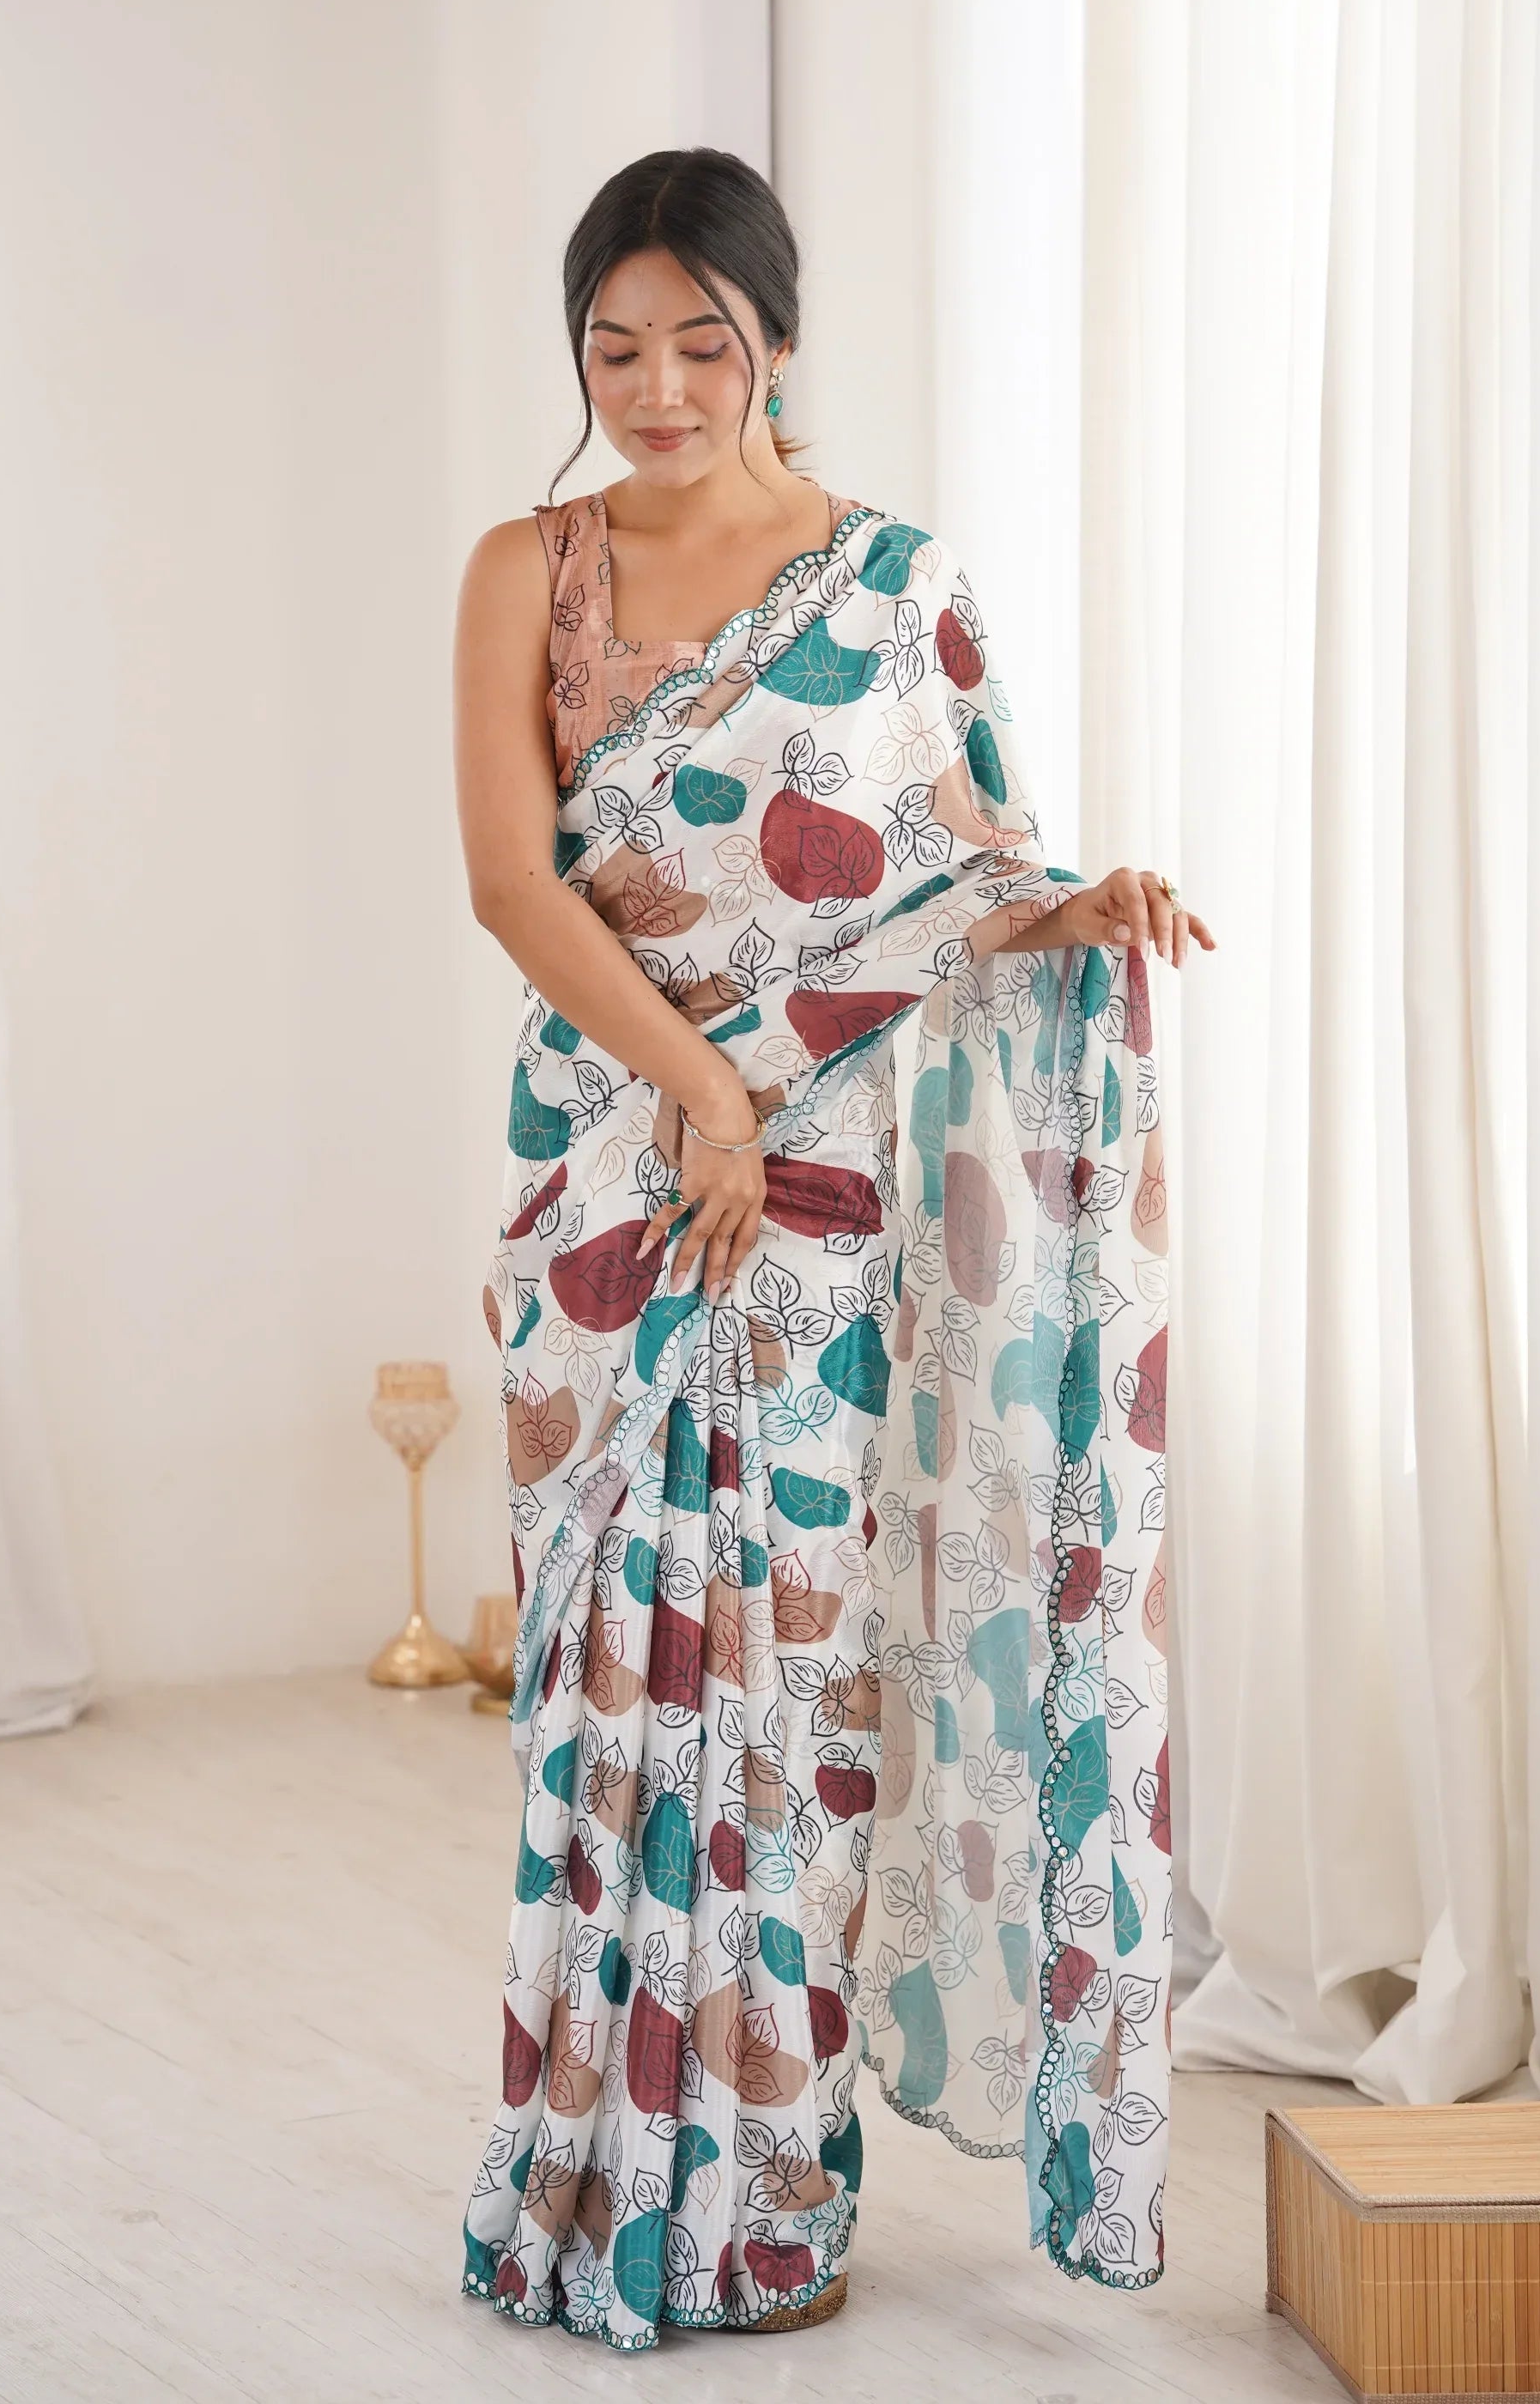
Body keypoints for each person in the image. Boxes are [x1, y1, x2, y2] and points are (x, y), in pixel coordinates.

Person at [452, 147, 1214, 2352]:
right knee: (613, 1689)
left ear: (775, 342)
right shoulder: (526, 568)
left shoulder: (893, 585)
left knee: (794, 1686)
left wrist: (1081, 910)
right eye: (614, 347)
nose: (656, 389)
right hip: (613, 1178)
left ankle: (769, 2203)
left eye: (701, 343)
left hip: (815, 1202)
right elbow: (511, 881)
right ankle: (594, 2183)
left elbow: (964, 873)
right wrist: (700, 1092)